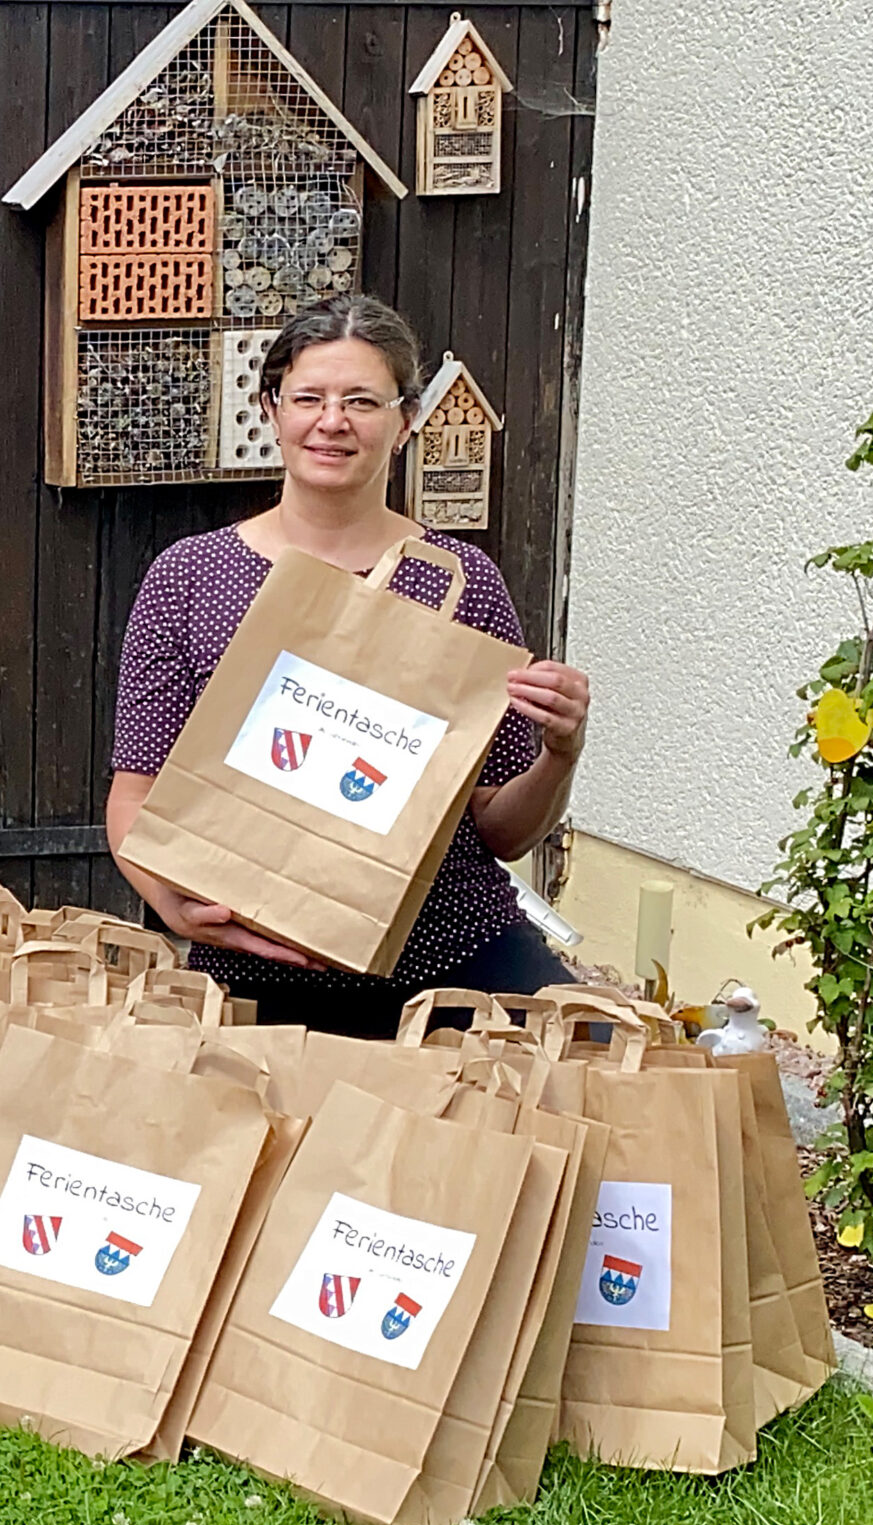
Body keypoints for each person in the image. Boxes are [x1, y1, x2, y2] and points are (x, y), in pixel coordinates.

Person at [105, 295, 592, 1038]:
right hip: (261, 961)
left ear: (406, 420)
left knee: (598, 1075)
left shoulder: (462, 583)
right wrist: (172, 906)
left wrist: (560, 754)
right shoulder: (191, 577)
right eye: (309, 398)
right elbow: (135, 796)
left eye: (362, 401)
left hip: (453, 949)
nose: (332, 421)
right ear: (272, 411)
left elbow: (500, 832)